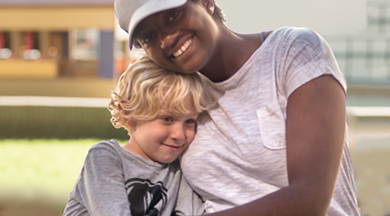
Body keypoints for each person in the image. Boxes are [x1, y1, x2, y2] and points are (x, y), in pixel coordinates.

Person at [114, 0, 360, 215]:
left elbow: (310, 200)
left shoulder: (293, 52)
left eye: (173, 15)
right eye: (148, 36)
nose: (166, 39)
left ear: (206, 2)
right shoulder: (181, 99)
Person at [62, 55, 214, 216]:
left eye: (189, 121)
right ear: (128, 113)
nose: (179, 134)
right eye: (167, 119)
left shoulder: (180, 172)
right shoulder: (105, 158)